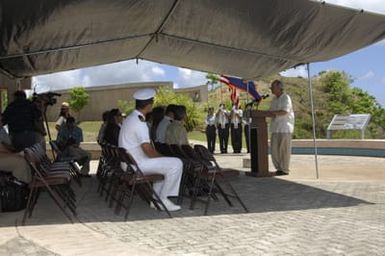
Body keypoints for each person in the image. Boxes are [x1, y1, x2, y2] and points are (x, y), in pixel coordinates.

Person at [118, 88, 183, 211]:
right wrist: (163, 158)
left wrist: (163, 161)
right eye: (152, 102)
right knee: (176, 163)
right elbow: (148, 150)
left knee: (164, 167)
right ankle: (163, 199)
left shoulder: (130, 118)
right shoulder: (140, 123)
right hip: (136, 164)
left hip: (129, 163)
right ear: (148, 105)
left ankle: (156, 201)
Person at [267, 80, 295, 176]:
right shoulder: (274, 99)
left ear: (279, 88)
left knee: (284, 150)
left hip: (284, 127)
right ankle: (278, 168)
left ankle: (284, 169)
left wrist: (272, 113)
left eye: (273, 87)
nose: (271, 89)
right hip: (275, 128)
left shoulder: (286, 98)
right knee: (274, 150)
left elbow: (284, 111)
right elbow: (270, 111)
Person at [0, 113, 32, 183]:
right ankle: (22, 186)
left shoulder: (2, 130)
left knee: (23, 159)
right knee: (20, 162)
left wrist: (14, 153)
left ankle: (27, 186)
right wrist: (15, 154)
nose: (1, 121)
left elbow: (6, 147)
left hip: (4, 153)